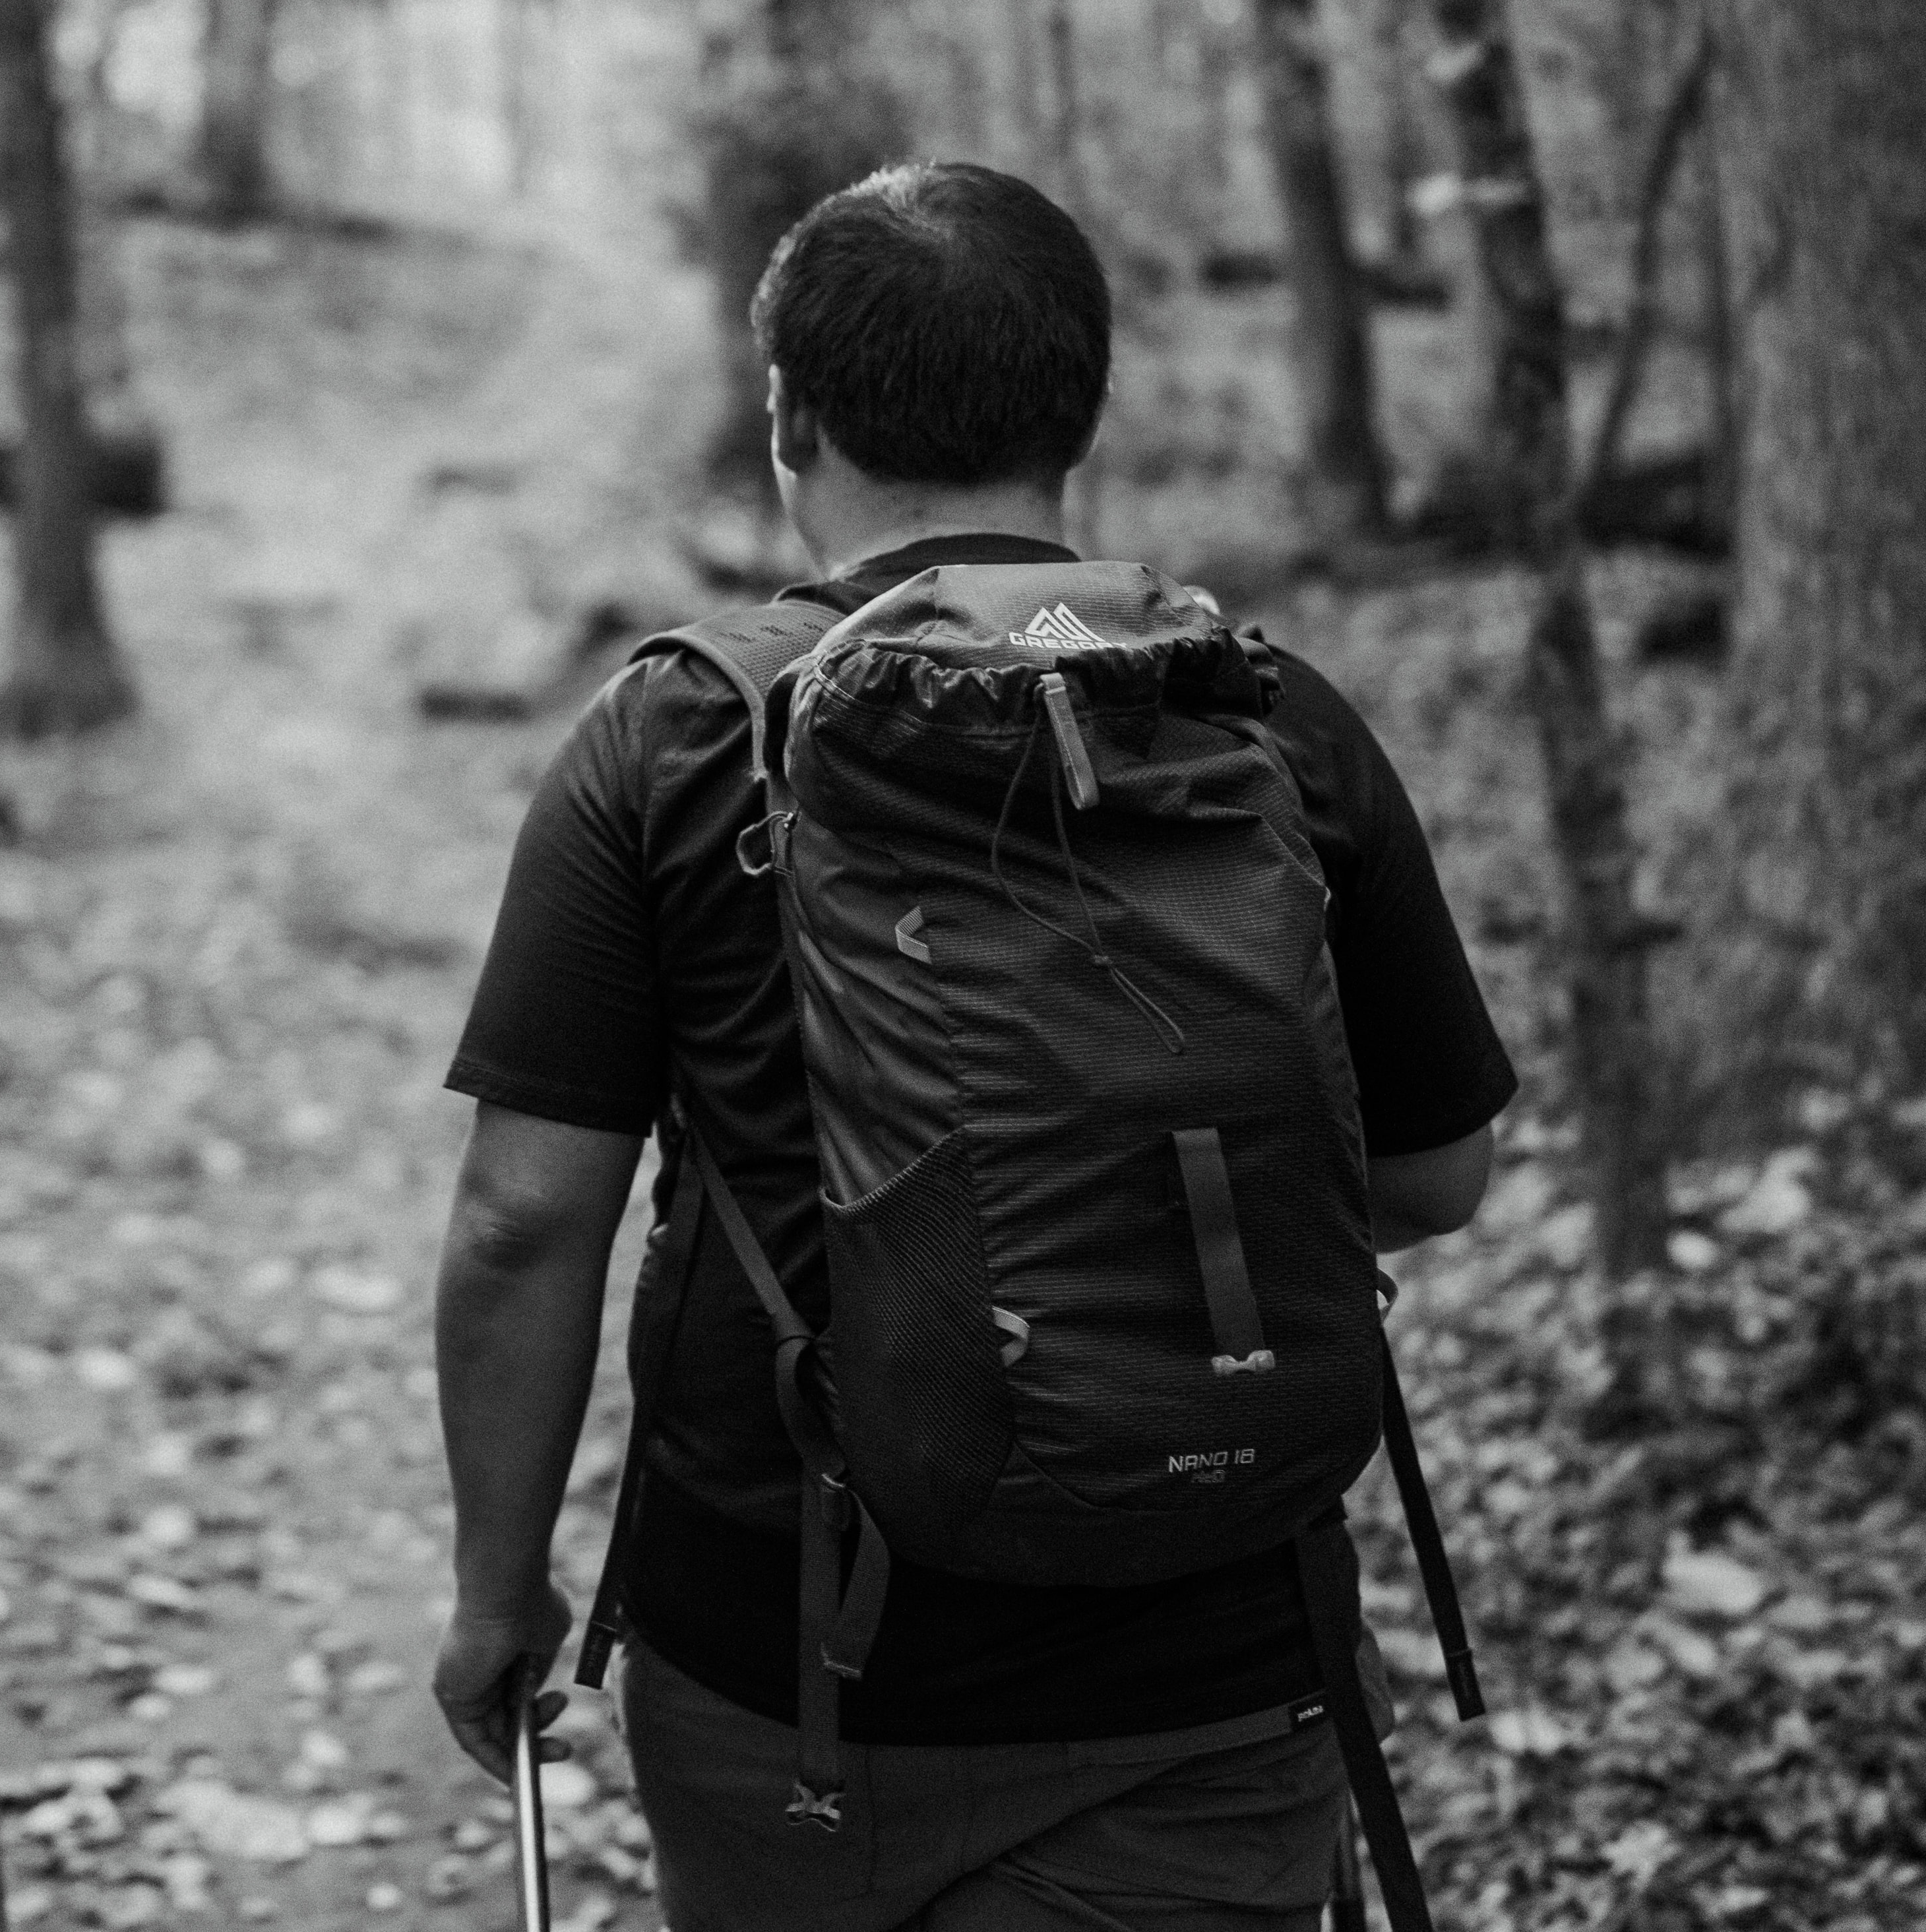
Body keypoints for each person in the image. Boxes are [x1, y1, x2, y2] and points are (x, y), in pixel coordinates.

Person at [426, 162, 1516, 1931]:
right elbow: (1438, 1171)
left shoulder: (678, 734)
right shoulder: (1263, 716)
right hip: (1218, 1655)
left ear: (789, 418)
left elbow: (524, 1219)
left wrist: (497, 1592)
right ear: (1080, 413)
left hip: (793, 1664)